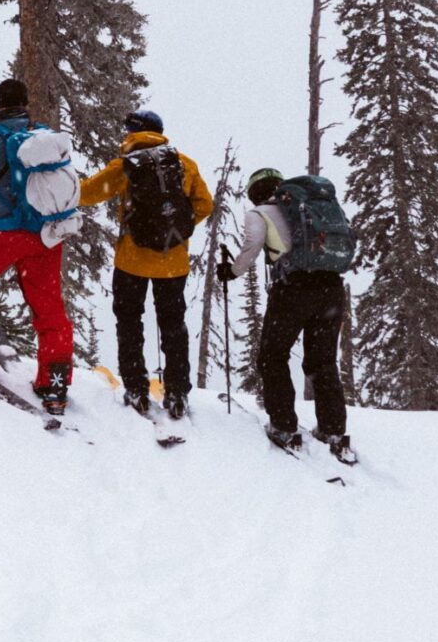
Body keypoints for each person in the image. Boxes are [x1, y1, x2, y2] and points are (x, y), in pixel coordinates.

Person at [0, 79, 78, 415]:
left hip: (5, 233)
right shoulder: (44, 137)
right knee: (49, 305)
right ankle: (55, 381)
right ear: (25, 102)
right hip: (46, 235)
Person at [78, 110, 213, 420]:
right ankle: (177, 392)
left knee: (129, 321)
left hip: (131, 261)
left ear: (133, 133)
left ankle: (136, 388)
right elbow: (205, 204)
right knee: (173, 325)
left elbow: (87, 193)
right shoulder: (183, 163)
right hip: (173, 263)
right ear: (160, 132)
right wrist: (176, 231)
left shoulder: (127, 165)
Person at [227, 167, 356, 463]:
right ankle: (333, 431)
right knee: (322, 361)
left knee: (273, 356)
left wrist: (231, 271)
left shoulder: (260, 212)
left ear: (255, 193)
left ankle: (284, 426)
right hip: (332, 288)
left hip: (293, 289)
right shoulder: (310, 207)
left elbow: (251, 248)